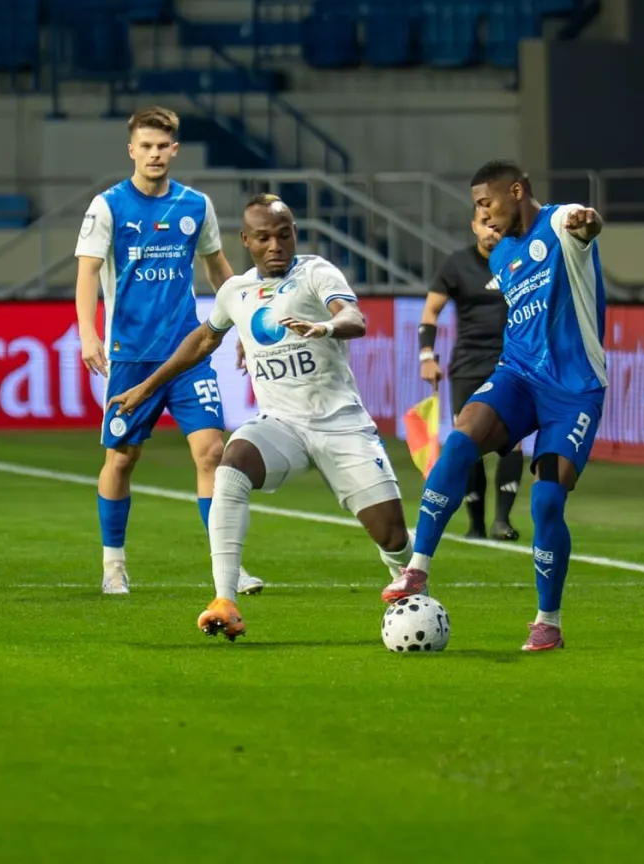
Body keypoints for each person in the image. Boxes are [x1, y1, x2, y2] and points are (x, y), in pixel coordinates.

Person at [108, 194, 413, 640]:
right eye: (265, 237)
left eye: (284, 234)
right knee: (231, 464)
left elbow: (353, 317)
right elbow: (202, 341)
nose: (276, 245)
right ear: (246, 241)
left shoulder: (315, 272)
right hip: (281, 425)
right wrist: (147, 386)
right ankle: (224, 599)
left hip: (341, 424)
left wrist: (326, 327)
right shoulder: (236, 292)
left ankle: (407, 581)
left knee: (392, 535)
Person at [382, 160, 606, 653]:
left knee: (547, 500)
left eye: (486, 202)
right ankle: (417, 568)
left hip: (574, 389)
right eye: (477, 207)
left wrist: (586, 224)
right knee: (462, 437)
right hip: (517, 376)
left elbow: (586, 223)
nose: (482, 214)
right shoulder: (502, 255)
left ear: (517, 191)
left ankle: (548, 621)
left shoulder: (559, 222)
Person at [74, 106, 264, 597]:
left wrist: (241, 324)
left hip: (188, 353)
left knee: (213, 452)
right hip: (131, 354)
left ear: (174, 151)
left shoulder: (195, 206)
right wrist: (88, 334)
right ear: (132, 149)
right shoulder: (108, 206)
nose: (155, 154)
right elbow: (88, 272)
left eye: (163, 147)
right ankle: (113, 564)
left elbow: (218, 268)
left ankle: (228, 569)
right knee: (122, 458)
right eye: (147, 146)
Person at [419, 211, 525, 541]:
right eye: (485, 224)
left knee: (513, 441)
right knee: (467, 442)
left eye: (497, 224)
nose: (491, 230)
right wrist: (426, 356)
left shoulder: (521, 261)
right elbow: (430, 312)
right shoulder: (456, 264)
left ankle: (502, 522)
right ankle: (475, 524)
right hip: (467, 366)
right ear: (474, 227)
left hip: (512, 364)